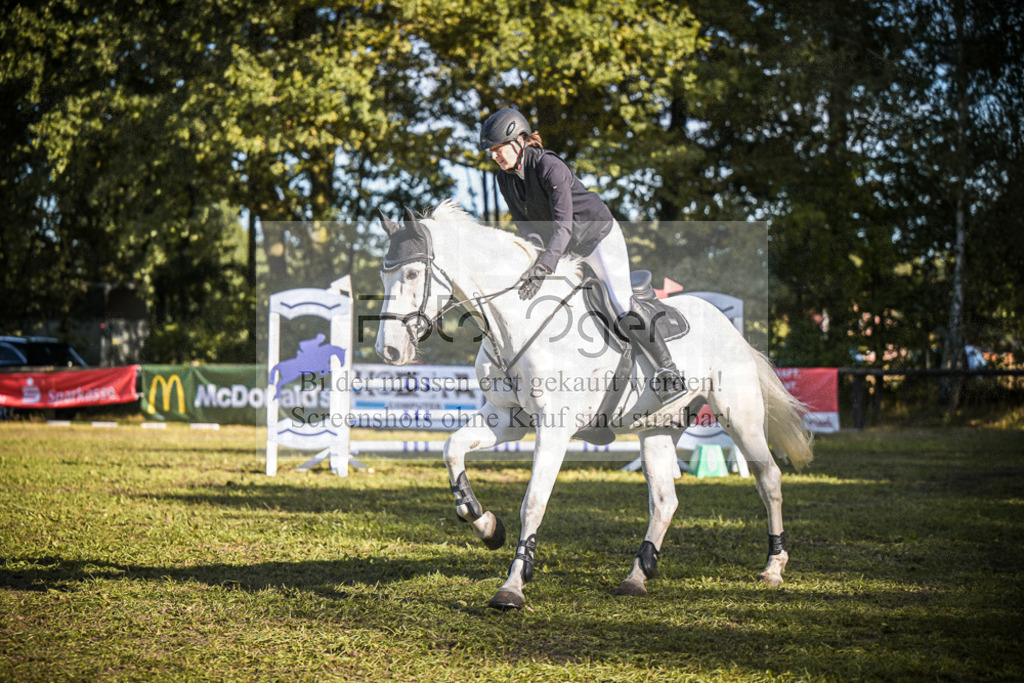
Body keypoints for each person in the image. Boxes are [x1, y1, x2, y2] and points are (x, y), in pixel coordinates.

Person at [479, 107, 685, 405]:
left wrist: (544, 265)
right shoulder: (505, 179)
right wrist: (534, 259)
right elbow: (526, 225)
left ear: (519, 141)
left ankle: (668, 370)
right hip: (563, 247)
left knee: (619, 302)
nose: (495, 156)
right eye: (492, 151)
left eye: (498, 148)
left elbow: (563, 227)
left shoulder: (550, 166)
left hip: (595, 237)